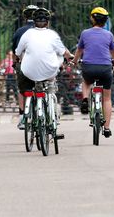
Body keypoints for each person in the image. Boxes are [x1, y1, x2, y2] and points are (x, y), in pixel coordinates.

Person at [15, 8, 73, 138]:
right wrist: (70, 58)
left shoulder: (27, 34)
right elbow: (64, 52)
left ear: (34, 22)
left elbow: (17, 52)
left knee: (30, 88)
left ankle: (29, 113)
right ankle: (53, 116)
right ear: (47, 23)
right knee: (51, 88)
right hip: (49, 72)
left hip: (28, 71)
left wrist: (16, 61)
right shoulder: (52, 35)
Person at [72, 7, 114, 138]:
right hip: (105, 68)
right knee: (107, 98)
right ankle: (107, 128)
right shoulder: (109, 35)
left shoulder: (85, 33)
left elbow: (79, 51)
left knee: (86, 82)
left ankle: (86, 98)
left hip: (89, 68)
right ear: (105, 21)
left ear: (92, 19)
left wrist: (74, 61)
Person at [12, 5, 38, 129]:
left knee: (22, 90)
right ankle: (45, 112)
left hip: (23, 65)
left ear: (25, 17)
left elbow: (15, 52)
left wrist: (15, 64)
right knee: (43, 88)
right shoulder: (43, 31)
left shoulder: (19, 31)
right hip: (40, 67)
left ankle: (22, 116)